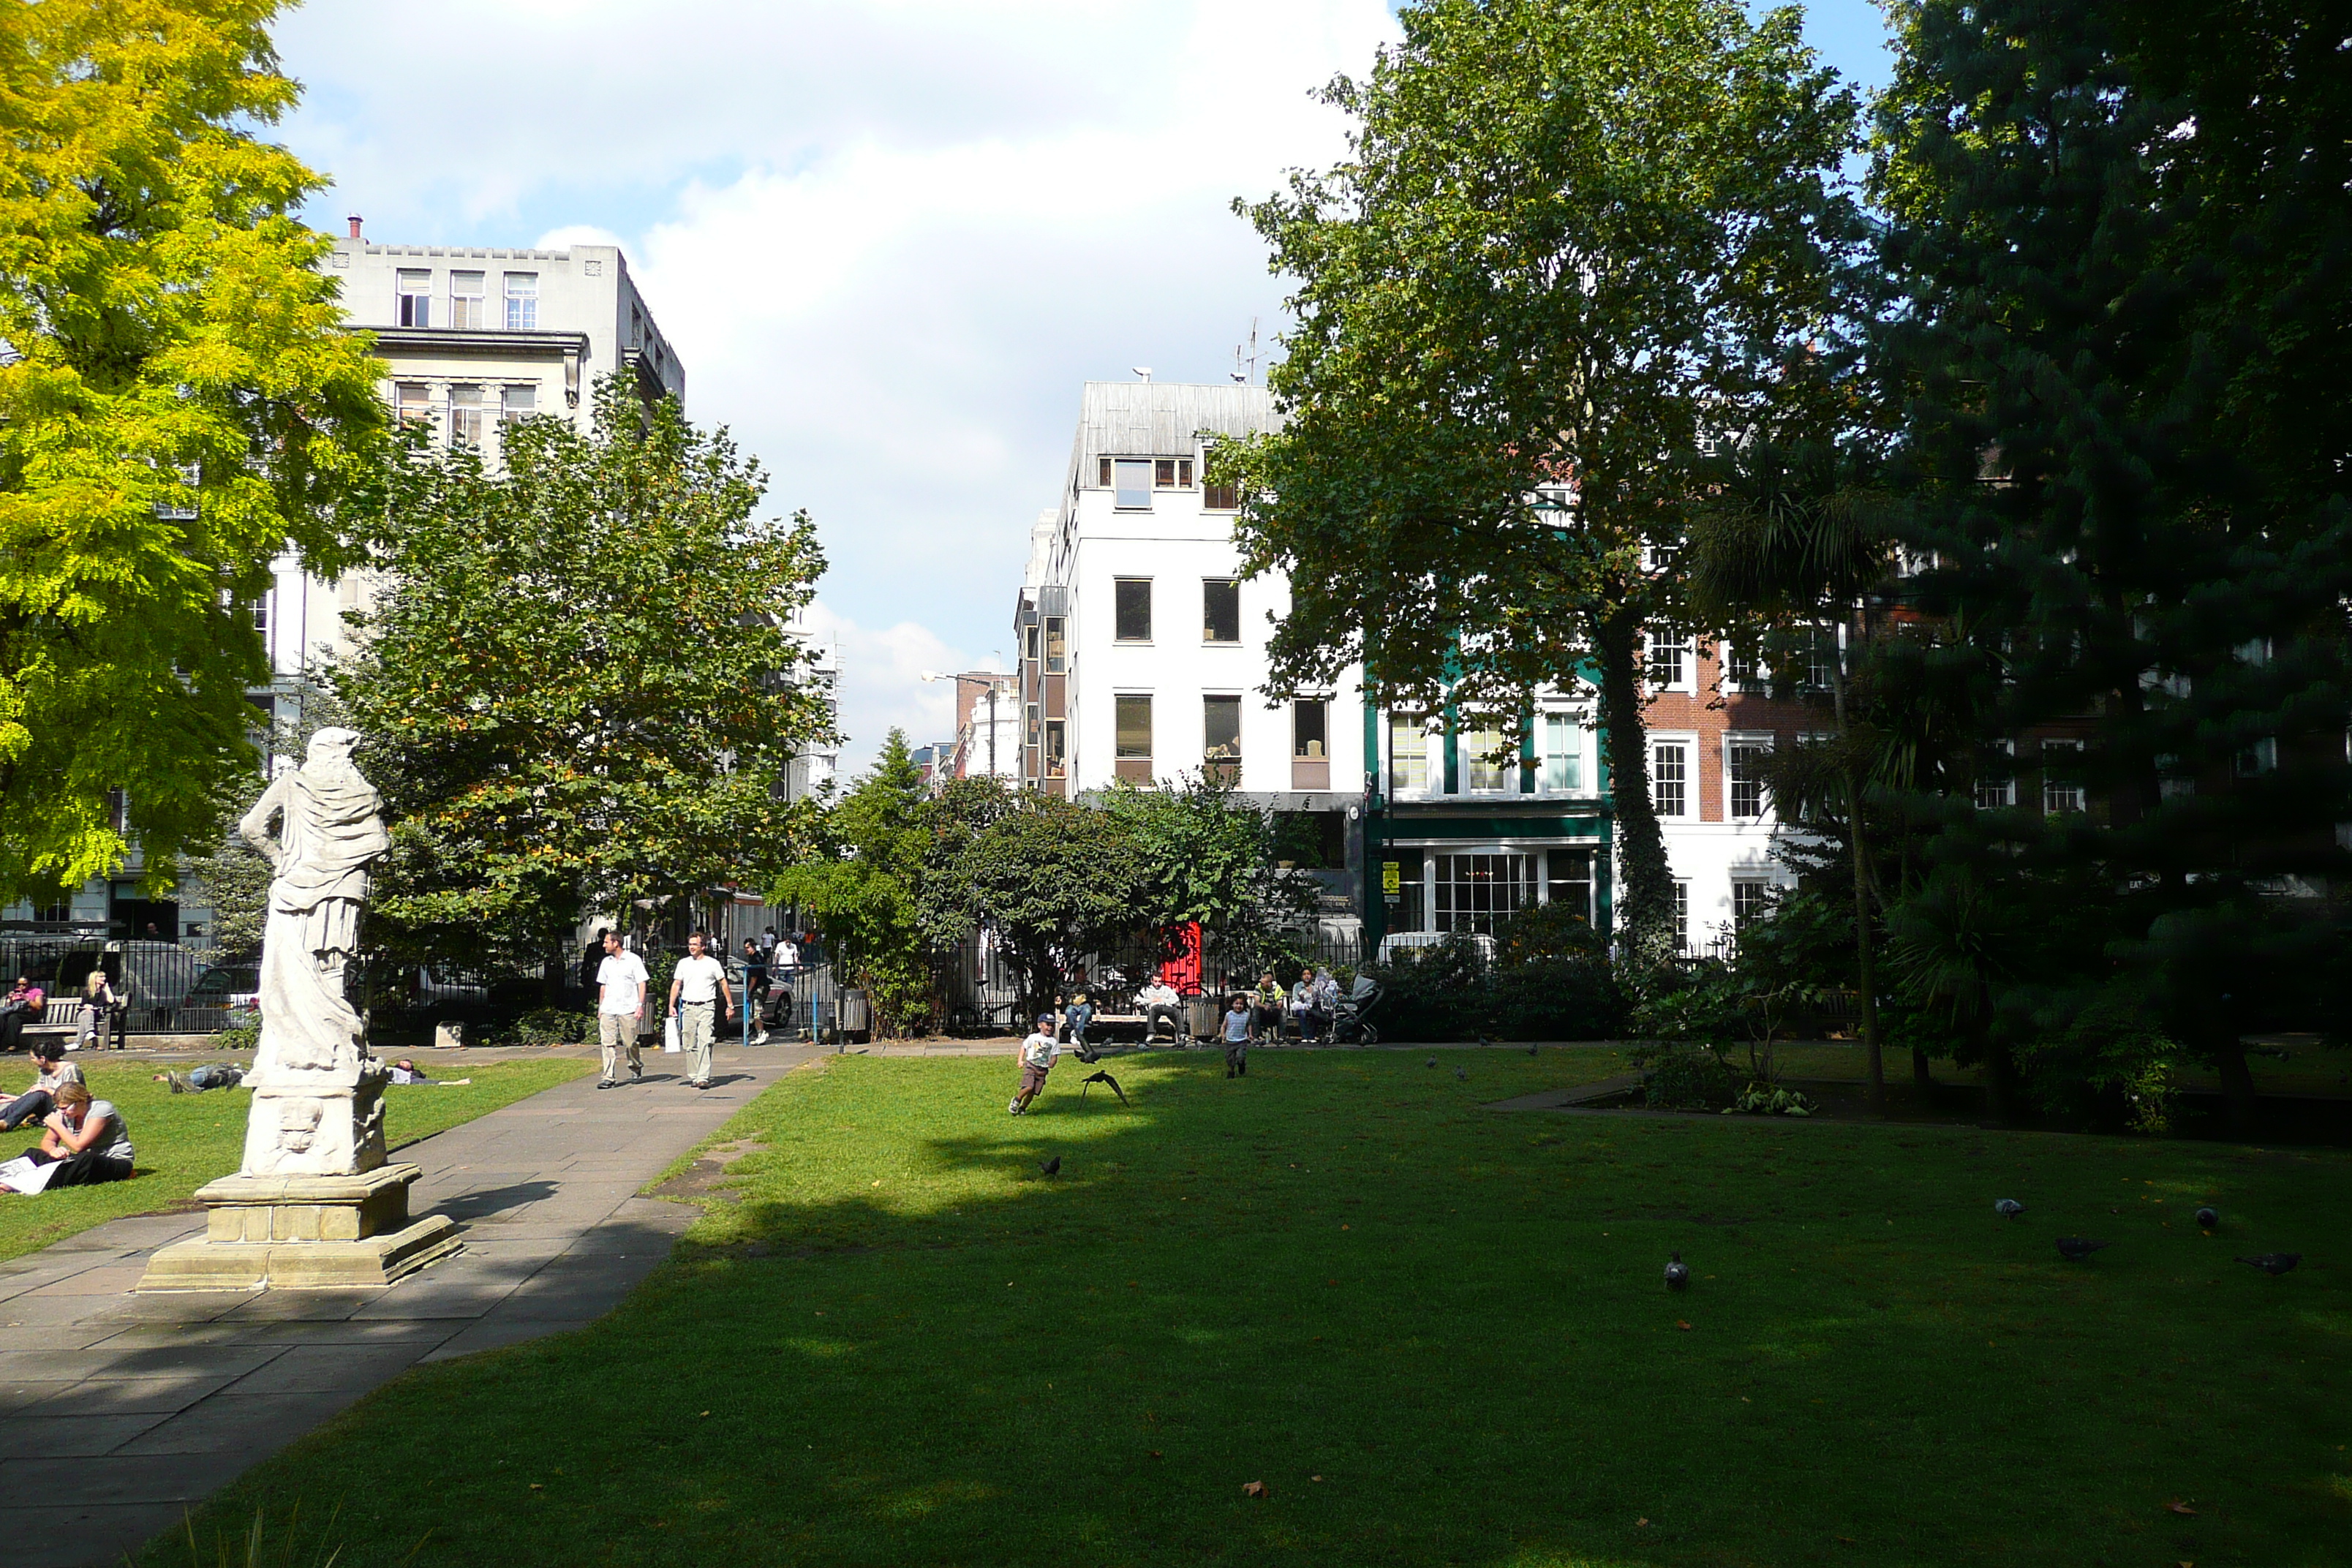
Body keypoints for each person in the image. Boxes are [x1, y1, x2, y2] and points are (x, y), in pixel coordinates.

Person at [0, 1082, 135, 1192]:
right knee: (33, 1154)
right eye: (60, 1108)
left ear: (81, 1101)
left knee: (86, 1159)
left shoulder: (102, 1110)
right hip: (84, 1160)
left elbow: (79, 1146)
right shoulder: (65, 1115)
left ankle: (18, 1185)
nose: (62, 1112)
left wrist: (58, 1126)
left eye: (65, 1108)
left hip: (115, 1161)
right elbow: (48, 1141)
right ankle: (4, 1175)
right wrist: (53, 1150)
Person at [668, 932, 733, 1090]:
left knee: (705, 1040)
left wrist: (730, 1005)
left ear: (703, 946)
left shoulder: (712, 963)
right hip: (688, 1006)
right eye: (690, 944)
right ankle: (694, 1075)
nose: (691, 947)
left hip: (706, 1006)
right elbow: (677, 984)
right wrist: (671, 1005)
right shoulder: (684, 963)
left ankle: (703, 1077)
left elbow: (723, 983)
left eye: (695, 945)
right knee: (689, 1042)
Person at [595, 932, 649, 1089]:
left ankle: (636, 1066)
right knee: (607, 1043)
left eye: (606, 942)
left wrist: (640, 1005)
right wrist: (601, 1007)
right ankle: (608, 1077)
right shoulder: (606, 962)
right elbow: (603, 986)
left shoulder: (633, 960)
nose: (604, 945)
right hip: (609, 1009)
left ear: (616, 943)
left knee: (630, 1042)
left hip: (628, 1008)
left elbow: (641, 983)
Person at [0, 1041, 81, 1131]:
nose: (32, 1061)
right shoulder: (44, 1070)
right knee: (39, 1094)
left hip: (65, 1110)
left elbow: (73, 1097)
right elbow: (35, 1096)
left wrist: (46, 1090)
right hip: (48, 1108)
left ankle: (7, 1124)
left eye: (33, 1058)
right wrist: (17, 1099)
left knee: (41, 1094)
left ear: (42, 1058)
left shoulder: (70, 1069)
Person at [1010, 1013, 1059, 1115]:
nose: (1050, 1027)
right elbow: (1023, 1047)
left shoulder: (1053, 1041)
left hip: (1042, 1069)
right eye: (1047, 1024)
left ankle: (1023, 1108)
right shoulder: (1033, 1037)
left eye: (1052, 1025)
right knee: (1029, 1087)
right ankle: (1017, 1100)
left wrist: (1053, 1063)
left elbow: (1055, 1055)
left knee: (1033, 1092)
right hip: (1031, 1066)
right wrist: (1020, 1060)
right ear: (1040, 1025)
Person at [80, 969, 126, 1052]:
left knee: (85, 1019)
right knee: (87, 1013)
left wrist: (107, 989)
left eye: (104, 977)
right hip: (86, 1014)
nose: (104, 979)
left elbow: (111, 1001)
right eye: (101, 977)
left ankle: (79, 1043)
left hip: (98, 1016)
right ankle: (89, 1033)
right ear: (94, 979)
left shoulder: (103, 992)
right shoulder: (87, 991)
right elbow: (83, 1004)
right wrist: (88, 1006)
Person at [0, 976, 44, 1055]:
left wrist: (27, 999)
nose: (21, 986)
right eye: (19, 984)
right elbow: (9, 1008)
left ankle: (12, 1044)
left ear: (29, 984)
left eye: (24, 984)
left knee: (13, 1018)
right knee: (3, 1017)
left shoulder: (37, 991)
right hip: (15, 1013)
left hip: (30, 1015)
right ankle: (2, 1044)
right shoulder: (16, 992)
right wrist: (10, 1000)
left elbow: (39, 1006)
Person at [739, 938, 771, 1044]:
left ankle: (761, 1033)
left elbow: (754, 978)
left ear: (753, 947)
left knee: (757, 1011)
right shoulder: (755, 957)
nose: (746, 950)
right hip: (760, 986)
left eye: (748, 947)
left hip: (760, 987)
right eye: (745, 948)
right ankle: (760, 1033)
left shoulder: (755, 959)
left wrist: (749, 991)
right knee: (755, 1011)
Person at [1138, 973, 1183, 1046]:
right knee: (1153, 1010)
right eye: (1156, 981)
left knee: (1177, 1011)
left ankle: (1182, 1034)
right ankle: (1151, 1034)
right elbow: (1136, 1000)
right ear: (1151, 981)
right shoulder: (1146, 990)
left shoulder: (1166, 989)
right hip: (1154, 1008)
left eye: (1159, 981)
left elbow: (1176, 999)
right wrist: (1151, 1000)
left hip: (1166, 1007)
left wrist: (1163, 1000)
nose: (1158, 984)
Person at [1221, 993, 1255, 1079]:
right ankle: (1231, 1071)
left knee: (1240, 1056)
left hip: (1242, 1040)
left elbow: (1249, 1025)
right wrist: (1223, 1035)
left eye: (1241, 1004)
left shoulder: (1246, 1015)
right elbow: (1224, 1026)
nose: (1239, 1006)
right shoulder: (1229, 1015)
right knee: (1230, 1058)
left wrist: (1250, 1034)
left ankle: (1241, 1064)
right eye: (1236, 1003)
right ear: (1232, 1004)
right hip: (1230, 1041)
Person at [1061, 983, 1096, 1063]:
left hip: (1084, 1005)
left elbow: (1094, 994)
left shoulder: (1088, 985)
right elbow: (1063, 993)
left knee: (1087, 1011)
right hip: (1073, 1005)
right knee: (1069, 1012)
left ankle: (1077, 1034)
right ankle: (1074, 1031)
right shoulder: (1070, 985)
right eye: (1080, 973)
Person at [156, 1063, 244, 1094]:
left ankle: (182, 1083)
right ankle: (181, 1083)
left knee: (205, 1074)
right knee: (202, 1073)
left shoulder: (235, 1073)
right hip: (210, 1073)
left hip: (212, 1074)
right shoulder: (234, 1072)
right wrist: (165, 1078)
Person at [1251, 970, 1286, 1046]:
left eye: (1263, 983)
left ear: (1269, 984)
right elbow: (1256, 1002)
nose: (1261, 984)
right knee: (1255, 1010)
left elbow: (1280, 1001)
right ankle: (1256, 1037)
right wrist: (1264, 1006)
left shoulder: (1277, 988)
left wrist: (1279, 1004)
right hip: (1263, 1011)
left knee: (1283, 1011)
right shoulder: (1259, 987)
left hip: (1273, 1011)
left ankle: (1281, 1038)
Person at [580, 927, 611, 998]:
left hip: (593, 971)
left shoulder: (592, 947)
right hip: (604, 972)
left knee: (593, 992)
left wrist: (583, 975)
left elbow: (586, 962)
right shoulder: (609, 947)